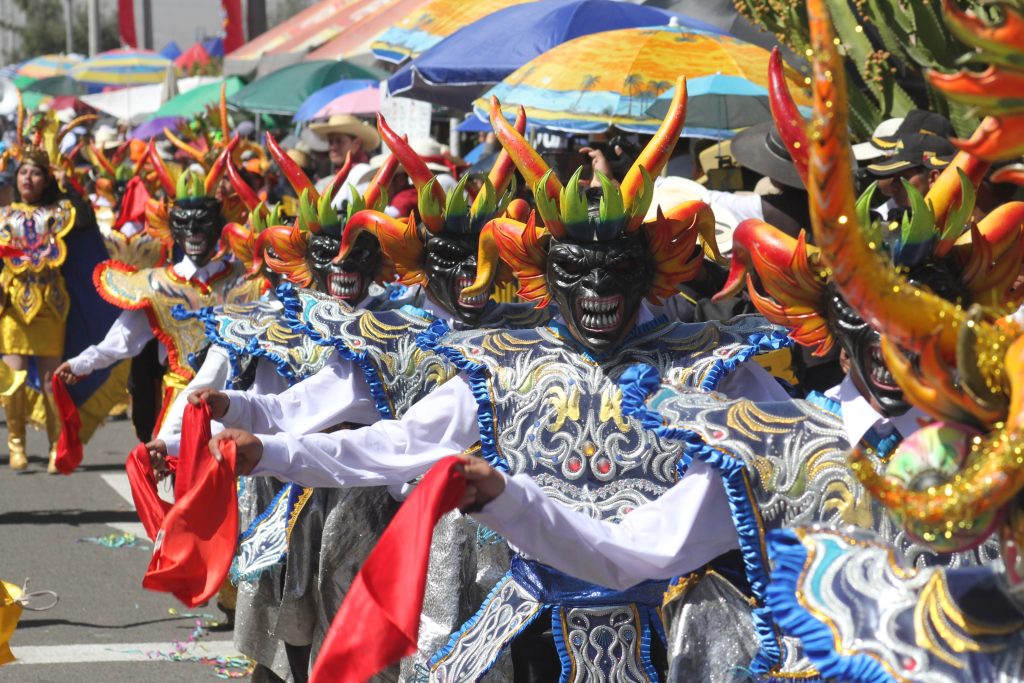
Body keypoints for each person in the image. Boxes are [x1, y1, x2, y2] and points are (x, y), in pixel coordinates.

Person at [206, 82, 791, 681]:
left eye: (617, 268)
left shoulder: (710, 368)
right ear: (540, 270)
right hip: (528, 617)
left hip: (672, 629)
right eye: (575, 269)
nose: (596, 291)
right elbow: (399, 442)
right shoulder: (511, 362)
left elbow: (787, 466)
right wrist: (270, 444)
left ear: (651, 268)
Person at [54, 145, 267, 442]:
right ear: (172, 228)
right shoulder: (155, 285)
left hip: (232, 402)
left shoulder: (245, 281)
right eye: (184, 223)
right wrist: (82, 363)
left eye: (203, 222)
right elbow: (124, 339)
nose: (194, 232)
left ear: (219, 225)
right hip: (180, 405)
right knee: (179, 481)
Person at [0, 110, 117, 472]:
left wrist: (68, 185)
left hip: (52, 306)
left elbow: (84, 221)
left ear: (46, 177)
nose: (28, 179)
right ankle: (16, 445)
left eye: (36, 173)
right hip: (13, 309)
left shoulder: (60, 211)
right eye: (23, 172)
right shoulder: (3, 216)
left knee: (53, 382)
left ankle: (56, 445)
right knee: (14, 381)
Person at [308, 115, 380, 194]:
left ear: (357, 143)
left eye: (339, 141)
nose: (333, 147)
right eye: (330, 142)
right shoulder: (327, 181)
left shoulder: (365, 174)